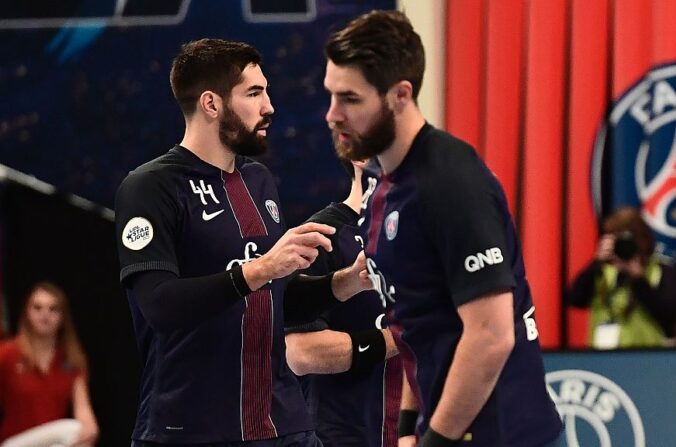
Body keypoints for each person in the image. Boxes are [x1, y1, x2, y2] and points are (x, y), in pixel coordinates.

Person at [323, 11, 563, 447]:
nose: (332, 115)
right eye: (331, 96)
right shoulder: (378, 185)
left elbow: (491, 336)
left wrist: (437, 439)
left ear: (400, 94)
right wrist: (408, 428)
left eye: (350, 99)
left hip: (505, 434)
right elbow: (414, 320)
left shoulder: (451, 183)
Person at [114, 38, 369, 446]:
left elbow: (273, 299)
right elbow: (159, 304)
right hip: (190, 429)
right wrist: (262, 268)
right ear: (211, 104)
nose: (269, 106)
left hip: (284, 424)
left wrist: (345, 282)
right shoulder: (150, 186)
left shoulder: (259, 180)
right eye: (254, 93)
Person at [285, 159, 402, 447]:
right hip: (342, 436)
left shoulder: (418, 234)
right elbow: (300, 353)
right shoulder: (321, 236)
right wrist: (401, 337)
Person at [568, 207, 676, 349]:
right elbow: (575, 299)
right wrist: (596, 263)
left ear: (642, 239)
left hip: (648, 358)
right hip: (601, 359)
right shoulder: (602, 271)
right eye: (616, 239)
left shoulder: (663, 271)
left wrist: (638, 278)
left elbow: (670, 319)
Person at [0, 282, 99, 447]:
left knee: (72, 439)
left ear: (63, 317)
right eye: (37, 308)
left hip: (52, 442)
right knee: (72, 430)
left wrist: (88, 432)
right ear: (26, 312)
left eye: (53, 309)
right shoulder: (7, 354)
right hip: (14, 442)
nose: (45, 314)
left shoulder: (72, 361)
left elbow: (87, 421)